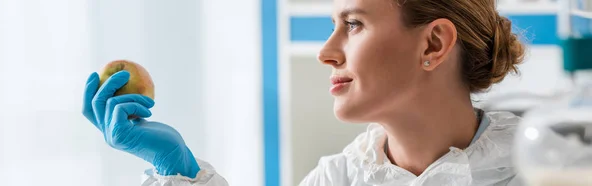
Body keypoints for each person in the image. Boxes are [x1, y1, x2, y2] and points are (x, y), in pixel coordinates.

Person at [81, 0, 527, 185]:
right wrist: (176, 167)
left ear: (432, 45)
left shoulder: (551, 166)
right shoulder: (337, 178)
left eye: (353, 25)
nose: (326, 53)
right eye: (331, 27)